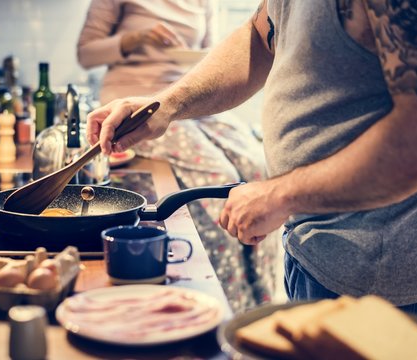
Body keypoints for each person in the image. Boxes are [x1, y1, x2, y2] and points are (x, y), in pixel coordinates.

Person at [86, 0, 417, 321]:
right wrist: (166, 104)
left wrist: (279, 195)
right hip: (316, 251)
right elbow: (259, 36)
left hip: (382, 279)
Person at [77, 0, 273, 312]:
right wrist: (133, 41)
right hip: (137, 105)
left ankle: (261, 298)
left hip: (189, 101)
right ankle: (224, 300)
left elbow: (214, 57)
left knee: (260, 168)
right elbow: (86, 53)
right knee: (218, 177)